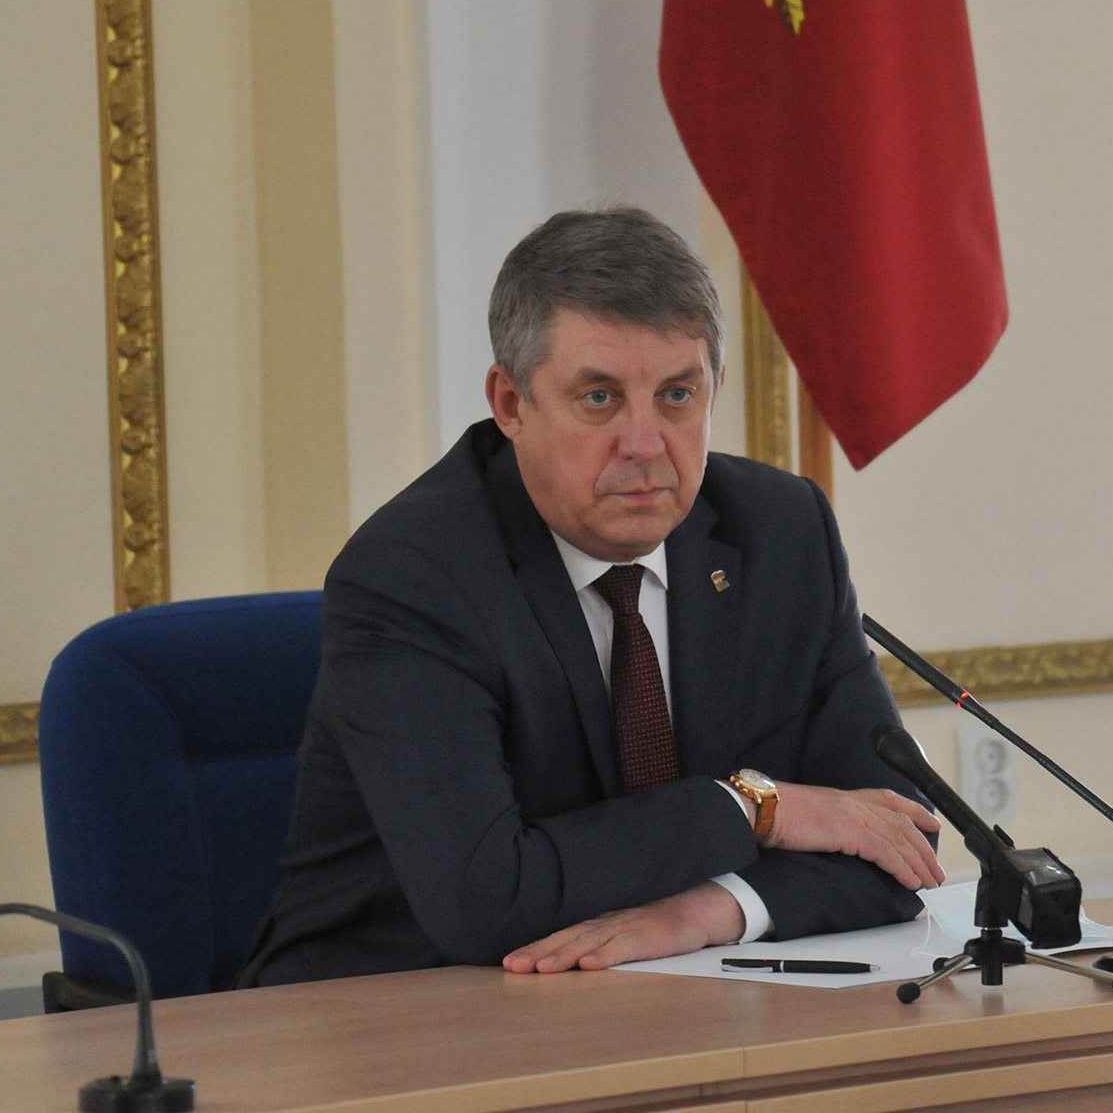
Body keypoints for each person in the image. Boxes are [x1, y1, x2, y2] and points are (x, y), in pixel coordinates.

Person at [240, 207, 942, 987]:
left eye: (677, 394)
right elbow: (487, 899)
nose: (644, 444)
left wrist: (707, 911)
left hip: (674, 990)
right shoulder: (415, 573)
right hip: (396, 1007)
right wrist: (756, 809)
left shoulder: (780, 532)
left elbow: (898, 839)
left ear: (716, 389)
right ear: (511, 404)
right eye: (600, 398)